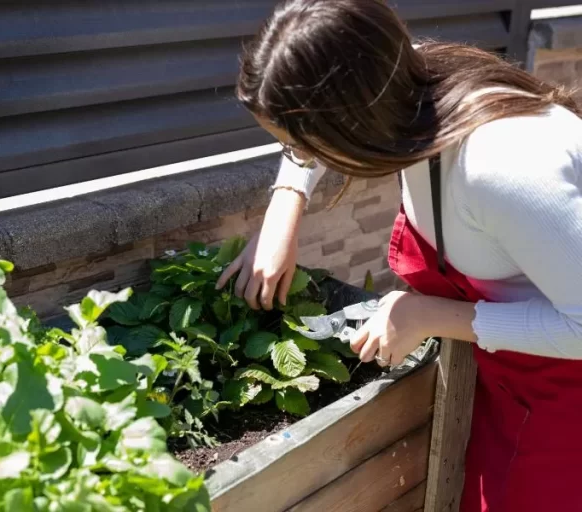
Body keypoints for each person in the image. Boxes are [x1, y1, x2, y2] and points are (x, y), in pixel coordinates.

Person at [215, 0, 582, 510]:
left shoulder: (502, 167)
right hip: (510, 382)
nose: (304, 156)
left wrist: (429, 314)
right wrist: (285, 207)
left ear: (354, 124)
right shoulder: (401, 75)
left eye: (306, 144)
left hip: (568, 405)